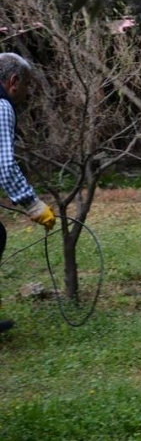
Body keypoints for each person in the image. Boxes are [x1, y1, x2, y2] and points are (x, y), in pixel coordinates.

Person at [0, 53, 56, 334]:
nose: (27, 93)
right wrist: (33, 205)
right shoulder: (2, 106)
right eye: (27, 86)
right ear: (13, 81)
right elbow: (5, 165)